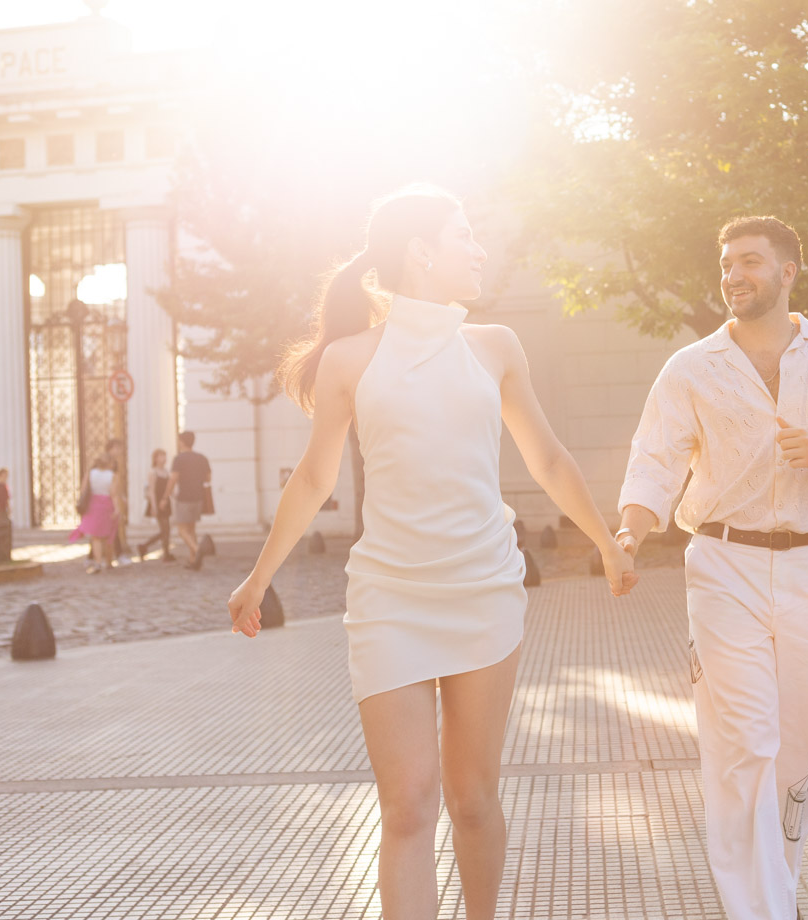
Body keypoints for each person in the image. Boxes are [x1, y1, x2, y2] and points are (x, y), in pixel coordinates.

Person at [228, 185, 636, 920]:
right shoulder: (349, 361)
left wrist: (606, 541)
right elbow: (317, 475)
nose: (480, 251)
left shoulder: (496, 346)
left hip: (484, 587)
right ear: (421, 252)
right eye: (465, 236)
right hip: (389, 598)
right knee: (408, 805)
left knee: (473, 799)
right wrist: (259, 577)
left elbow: (544, 454)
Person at [616, 216, 808, 920]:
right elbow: (655, 458)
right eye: (726, 263)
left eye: (749, 261)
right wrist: (630, 532)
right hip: (723, 565)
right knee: (744, 743)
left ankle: (776, 893)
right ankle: (764, 912)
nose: (733, 275)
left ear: (788, 271)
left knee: (799, 751)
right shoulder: (692, 367)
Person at [165, 431, 211, 570]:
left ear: (182, 442)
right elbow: (208, 478)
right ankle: (193, 561)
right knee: (191, 529)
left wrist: (166, 495)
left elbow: (173, 478)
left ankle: (197, 550)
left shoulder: (179, 459)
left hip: (184, 497)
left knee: (182, 530)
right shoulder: (202, 458)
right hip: (198, 497)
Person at [70, 455, 121, 574]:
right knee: (109, 535)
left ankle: (98, 563)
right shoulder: (112, 475)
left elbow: (83, 489)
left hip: (93, 505)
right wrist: (117, 509)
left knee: (96, 537)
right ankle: (109, 562)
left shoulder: (91, 473)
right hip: (107, 505)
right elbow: (113, 494)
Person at [137, 449, 174, 561]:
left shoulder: (167, 472)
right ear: (156, 458)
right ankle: (165, 553)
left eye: (164, 456)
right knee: (165, 529)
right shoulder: (153, 472)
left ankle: (145, 546)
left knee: (166, 529)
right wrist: (154, 506)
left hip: (166, 502)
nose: (163, 458)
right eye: (161, 456)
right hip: (157, 502)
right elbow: (151, 490)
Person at [106, 438, 132, 565]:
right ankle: (118, 554)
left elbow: (116, 482)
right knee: (110, 527)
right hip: (106, 498)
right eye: (118, 447)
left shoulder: (114, 462)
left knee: (107, 527)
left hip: (111, 497)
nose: (120, 450)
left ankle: (93, 556)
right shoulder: (105, 461)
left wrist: (121, 495)